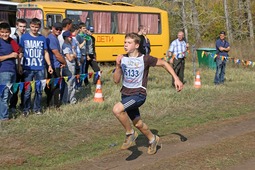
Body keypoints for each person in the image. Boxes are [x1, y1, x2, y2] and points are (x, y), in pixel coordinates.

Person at [112, 33, 183, 155]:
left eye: (129, 43)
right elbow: (116, 80)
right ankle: (152, 139)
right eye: (125, 42)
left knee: (117, 110)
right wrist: (118, 66)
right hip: (126, 95)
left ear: (137, 45)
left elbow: (165, 64)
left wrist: (176, 78)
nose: (125, 45)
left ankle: (130, 133)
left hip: (139, 94)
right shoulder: (123, 59)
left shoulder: (145, 59)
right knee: (138, 123)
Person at [19, 18, 53, 116]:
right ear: (30, 26)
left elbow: (45, 52)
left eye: (36, 27)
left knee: (39, 90)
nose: (34, 29)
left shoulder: (42, 38)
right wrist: (20, 66)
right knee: (27, 90)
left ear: (39, 27)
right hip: (27, 68)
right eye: (33, 27)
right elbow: (20, 52)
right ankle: (26, 109)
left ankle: (37, 108)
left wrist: (49, 65)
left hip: (40, 68)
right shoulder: (24, 37)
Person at [0, 22, 19, 120]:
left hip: (12, 70)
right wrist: (10, 56)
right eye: (2, 32)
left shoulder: (11, 42)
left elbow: (18, 51)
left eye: (6, 32)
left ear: (10, 32)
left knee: (10, 94)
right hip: (3, 71)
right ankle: (4, 117)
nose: (4, 34)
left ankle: (4, 113)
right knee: (4, 94)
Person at [45, 22, 66, 108]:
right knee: (55, 86)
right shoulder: (52, 38)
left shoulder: (54, 37)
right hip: (53, 66)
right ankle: (55, 105)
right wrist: (64, 62)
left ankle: (50, 104)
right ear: (53, 28)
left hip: (56, 64)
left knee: (51, 85)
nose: (58, 31)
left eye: (60, 30)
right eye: (57, 29)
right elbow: (56, 54)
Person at [9, 19, 27, 113]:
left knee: (25, 86)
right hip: (16, 64)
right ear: (16, 26)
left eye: (24, 26)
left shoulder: (26, 36)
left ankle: (23, 104)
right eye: (21, 26)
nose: (22, 28)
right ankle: (12, 105)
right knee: (15, 87)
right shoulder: (14, 37)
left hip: (26, 64)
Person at [62, 30, 77, 104]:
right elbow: (70, 58)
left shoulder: (70, 45)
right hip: (69, 66)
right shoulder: (65, 46)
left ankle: (70, 99)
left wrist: (73, 55)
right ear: (65, 38)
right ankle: (69, 100)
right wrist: (73, 55)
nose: (71, 38)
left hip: (72, 65)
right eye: (70, 37)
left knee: (72, 83)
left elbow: (75, 55)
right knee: (70, 83)